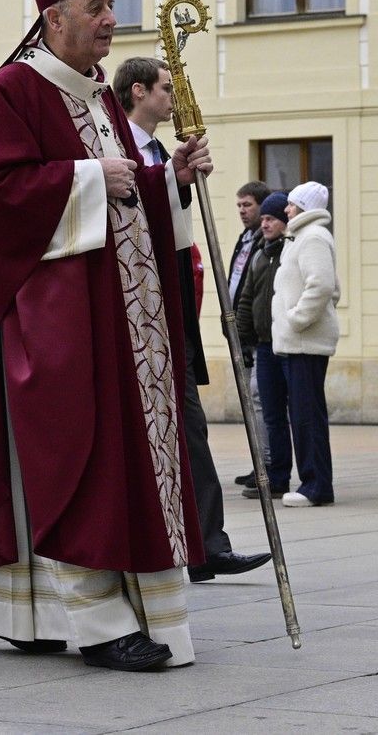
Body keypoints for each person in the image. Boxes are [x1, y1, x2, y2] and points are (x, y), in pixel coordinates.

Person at [0, 0, 212, 672]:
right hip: (54, 319)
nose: (110, 20)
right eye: (97, 6)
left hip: (120, 316)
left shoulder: (98, 92)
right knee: (77, 459)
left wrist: (172, 181)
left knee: (115, 459)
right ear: (54, 15)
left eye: (110, 5)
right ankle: (99, 623)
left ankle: (14, 605)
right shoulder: (14, 90)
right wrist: (86, 178)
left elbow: (127, 188)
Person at [113, 56, 271, 584]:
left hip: (171, 306)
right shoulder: (112, 146)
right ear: (138, 91)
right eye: (165, 88)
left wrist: (178, 181)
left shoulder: (159, 150)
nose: (174, 99)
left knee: (190, 425)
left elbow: (175, 230)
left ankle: (208, 541)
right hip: (134, 309)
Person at [272, 181, 340, 507]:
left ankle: (315, 486)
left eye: (291, 204)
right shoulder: (302, 236)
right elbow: (332, 288)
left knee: (307, 417)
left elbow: (323, 285)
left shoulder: (312, 237)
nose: (286, 210)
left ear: (303, 206)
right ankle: (312, 482)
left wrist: (296, 319)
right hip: (299, 341)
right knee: (303, 415)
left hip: (305, 342)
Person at [236, 191, 290, 499]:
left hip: (284, 341)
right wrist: (243, 335)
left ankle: (284, 471)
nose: (265, 224)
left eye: (271, 219)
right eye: (265, 219)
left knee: (287, 411)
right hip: (262, 343)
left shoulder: (289, 251)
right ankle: (272, 473)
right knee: (268, 410)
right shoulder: (259, 251)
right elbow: (246, 296)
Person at [230, 180, 272, 486]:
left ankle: (267, 464)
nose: (243, 211)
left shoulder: (264, 240)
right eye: (240, 206)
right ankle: (258, 462)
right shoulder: (246, 238)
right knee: (250, 398)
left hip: (254, 332)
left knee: (259, 398)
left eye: (248, 205)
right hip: (238, 330)